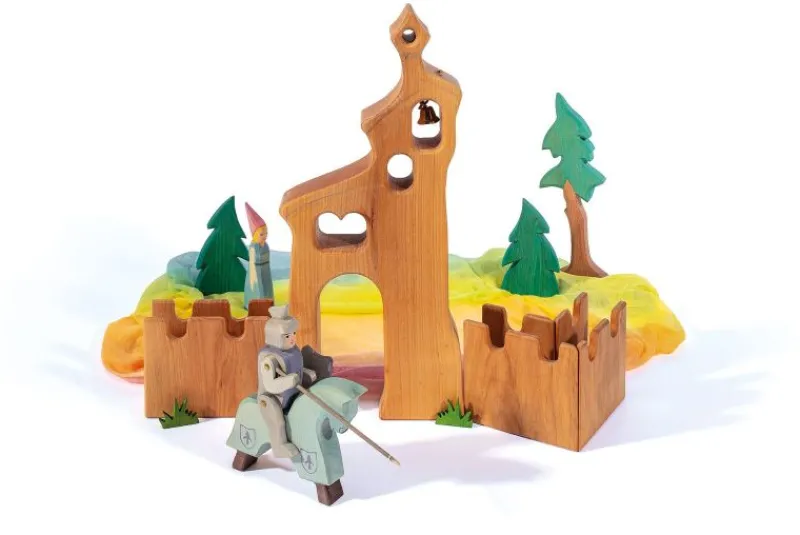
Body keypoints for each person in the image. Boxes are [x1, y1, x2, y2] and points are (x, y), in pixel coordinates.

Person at [257, 305, 332, 458]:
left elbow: (296, 369)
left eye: (293, 333)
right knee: (277, 421)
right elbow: (270, 385)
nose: (292, 338)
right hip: (273, 398)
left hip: (293, 392)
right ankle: (279, 446)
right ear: (275, 337)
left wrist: (307, 373)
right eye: (286, 336)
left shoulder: (293, 352)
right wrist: (288, 381)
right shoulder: (269, 359)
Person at [243, 202, 274, 310]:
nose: (265, 236)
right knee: (258, 289)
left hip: (265, 269)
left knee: (267, 287)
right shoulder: (253, 247)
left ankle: (268, 304)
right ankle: (257, 306)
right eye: (262, 234)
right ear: (255, 235)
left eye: (266, 233)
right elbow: (254, 262)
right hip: (255, 272)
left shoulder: (265, 245)